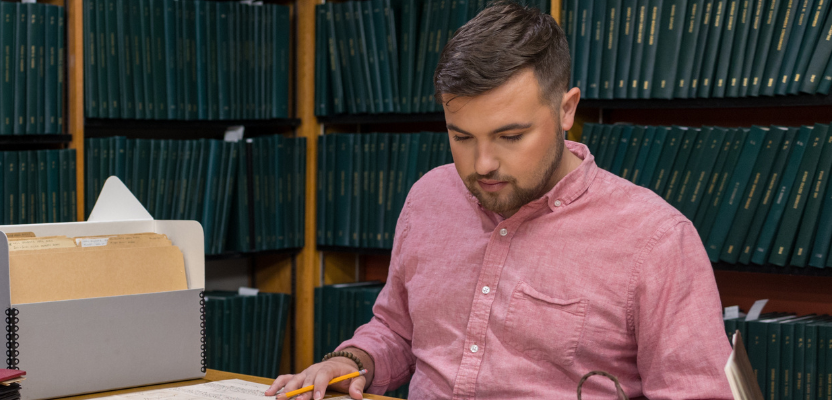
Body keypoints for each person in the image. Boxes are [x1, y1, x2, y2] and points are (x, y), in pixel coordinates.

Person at [268, 2, 732, 399]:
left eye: (510, 136)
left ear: (566, 109)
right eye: (462, 136)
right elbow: (397, 332)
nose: (482, 163)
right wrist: (349, 361)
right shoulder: (430, 197)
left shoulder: (655, 240)